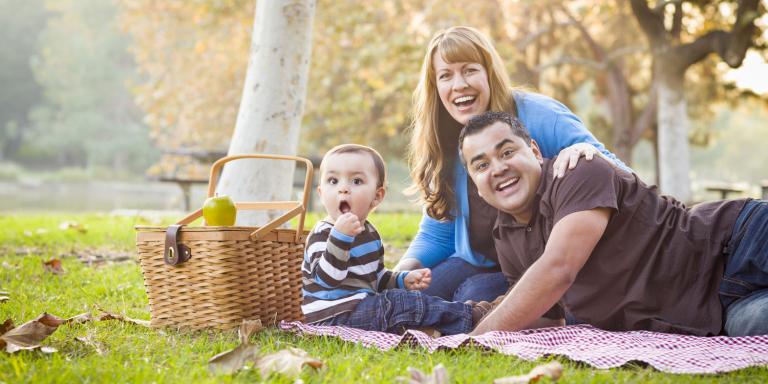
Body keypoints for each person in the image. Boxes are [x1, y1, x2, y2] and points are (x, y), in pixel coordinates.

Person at [459, 111, 767, 336]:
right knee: (758, 325)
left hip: (734, 243)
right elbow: (544, 313)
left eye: (508, 152)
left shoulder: (577, 172)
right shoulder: (505, 234)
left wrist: (476, 340)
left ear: (535, 152)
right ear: (475, 183)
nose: (498, 168)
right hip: (714, 310)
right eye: (482, 165)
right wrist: (470, 316)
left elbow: (558, 268)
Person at [394, 26, 629, 306]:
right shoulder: (445, 139)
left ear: (489, 73)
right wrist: (398, 273)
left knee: (469, 295)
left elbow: (622, 177)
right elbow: (438, 232)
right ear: (436, 87)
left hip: (546, 261)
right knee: (403, 298)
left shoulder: (543, 116)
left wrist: (588, 152)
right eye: (445, 75)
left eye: (469, 70)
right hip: (482, 261)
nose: (459, 85)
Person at [301, 144, 492, 335]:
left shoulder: (369, 233)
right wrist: (340, 237)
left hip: (363, 308)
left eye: (356, 181)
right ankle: (472, 316)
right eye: (333, 181)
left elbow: (376, 278)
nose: (343, 189)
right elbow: (327, 280)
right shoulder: (323, 234)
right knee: (400, 304)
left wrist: (402, 279)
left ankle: (444, 323)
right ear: (321, 193)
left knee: (404, 300)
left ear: (377, 197)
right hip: (332, 316)